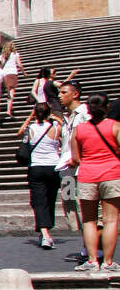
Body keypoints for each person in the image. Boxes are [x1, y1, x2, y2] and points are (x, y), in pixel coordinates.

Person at [69, 94, 120, 272]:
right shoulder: (115, 126)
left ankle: (92, 260)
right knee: (111, 220)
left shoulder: (80, 129)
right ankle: (108, 262)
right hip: (112, 174)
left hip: (87, 174)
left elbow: (75, 158)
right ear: (107, 107)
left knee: (89, 220)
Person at [16, 103, 63, 249]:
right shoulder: (56, 128)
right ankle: (47, 229)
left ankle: (45, 233)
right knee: (50, 198)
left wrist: (31, 116)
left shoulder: (31, 128)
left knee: (38, 200)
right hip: (53, 166)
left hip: (36, 167)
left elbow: (20, 132)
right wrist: (57, 119)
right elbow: (66, 131)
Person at [56, 80, 88, 261]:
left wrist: (77, 157)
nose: (60, 96)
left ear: (75, 94)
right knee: (70, 206)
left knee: (83, 207)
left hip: (78, 169)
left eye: (63, 92)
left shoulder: (84, 114)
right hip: (66, 170)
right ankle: (86, 242)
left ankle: (92, 248)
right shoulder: (69, 116)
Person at [1, 41, 24, 119]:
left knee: (5, 92)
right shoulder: (15, 54)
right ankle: (8, 110)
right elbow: (19, 64)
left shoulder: (3, 55)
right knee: (11, 93)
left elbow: (0, 64)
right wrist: (24, 72)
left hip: (4, 74)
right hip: (12, 73)